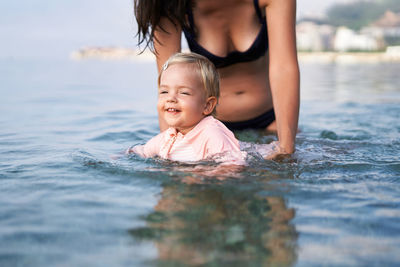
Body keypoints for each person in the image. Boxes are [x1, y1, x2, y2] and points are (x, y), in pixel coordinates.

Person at [134, 0, 300, 158]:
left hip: (270, 122)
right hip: (204, 128)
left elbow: (284, 68)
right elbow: (168, 81)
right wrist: (170, 148)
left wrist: (286, 146)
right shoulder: (170, 7)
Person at [126, 52, 245, 164]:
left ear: (207, 105)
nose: (170, 98)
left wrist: (206, 174)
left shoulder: (212, 135)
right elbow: (141, 151)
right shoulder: (167, 137)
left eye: (183, 93)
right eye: (164, 91)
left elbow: (232, 165)